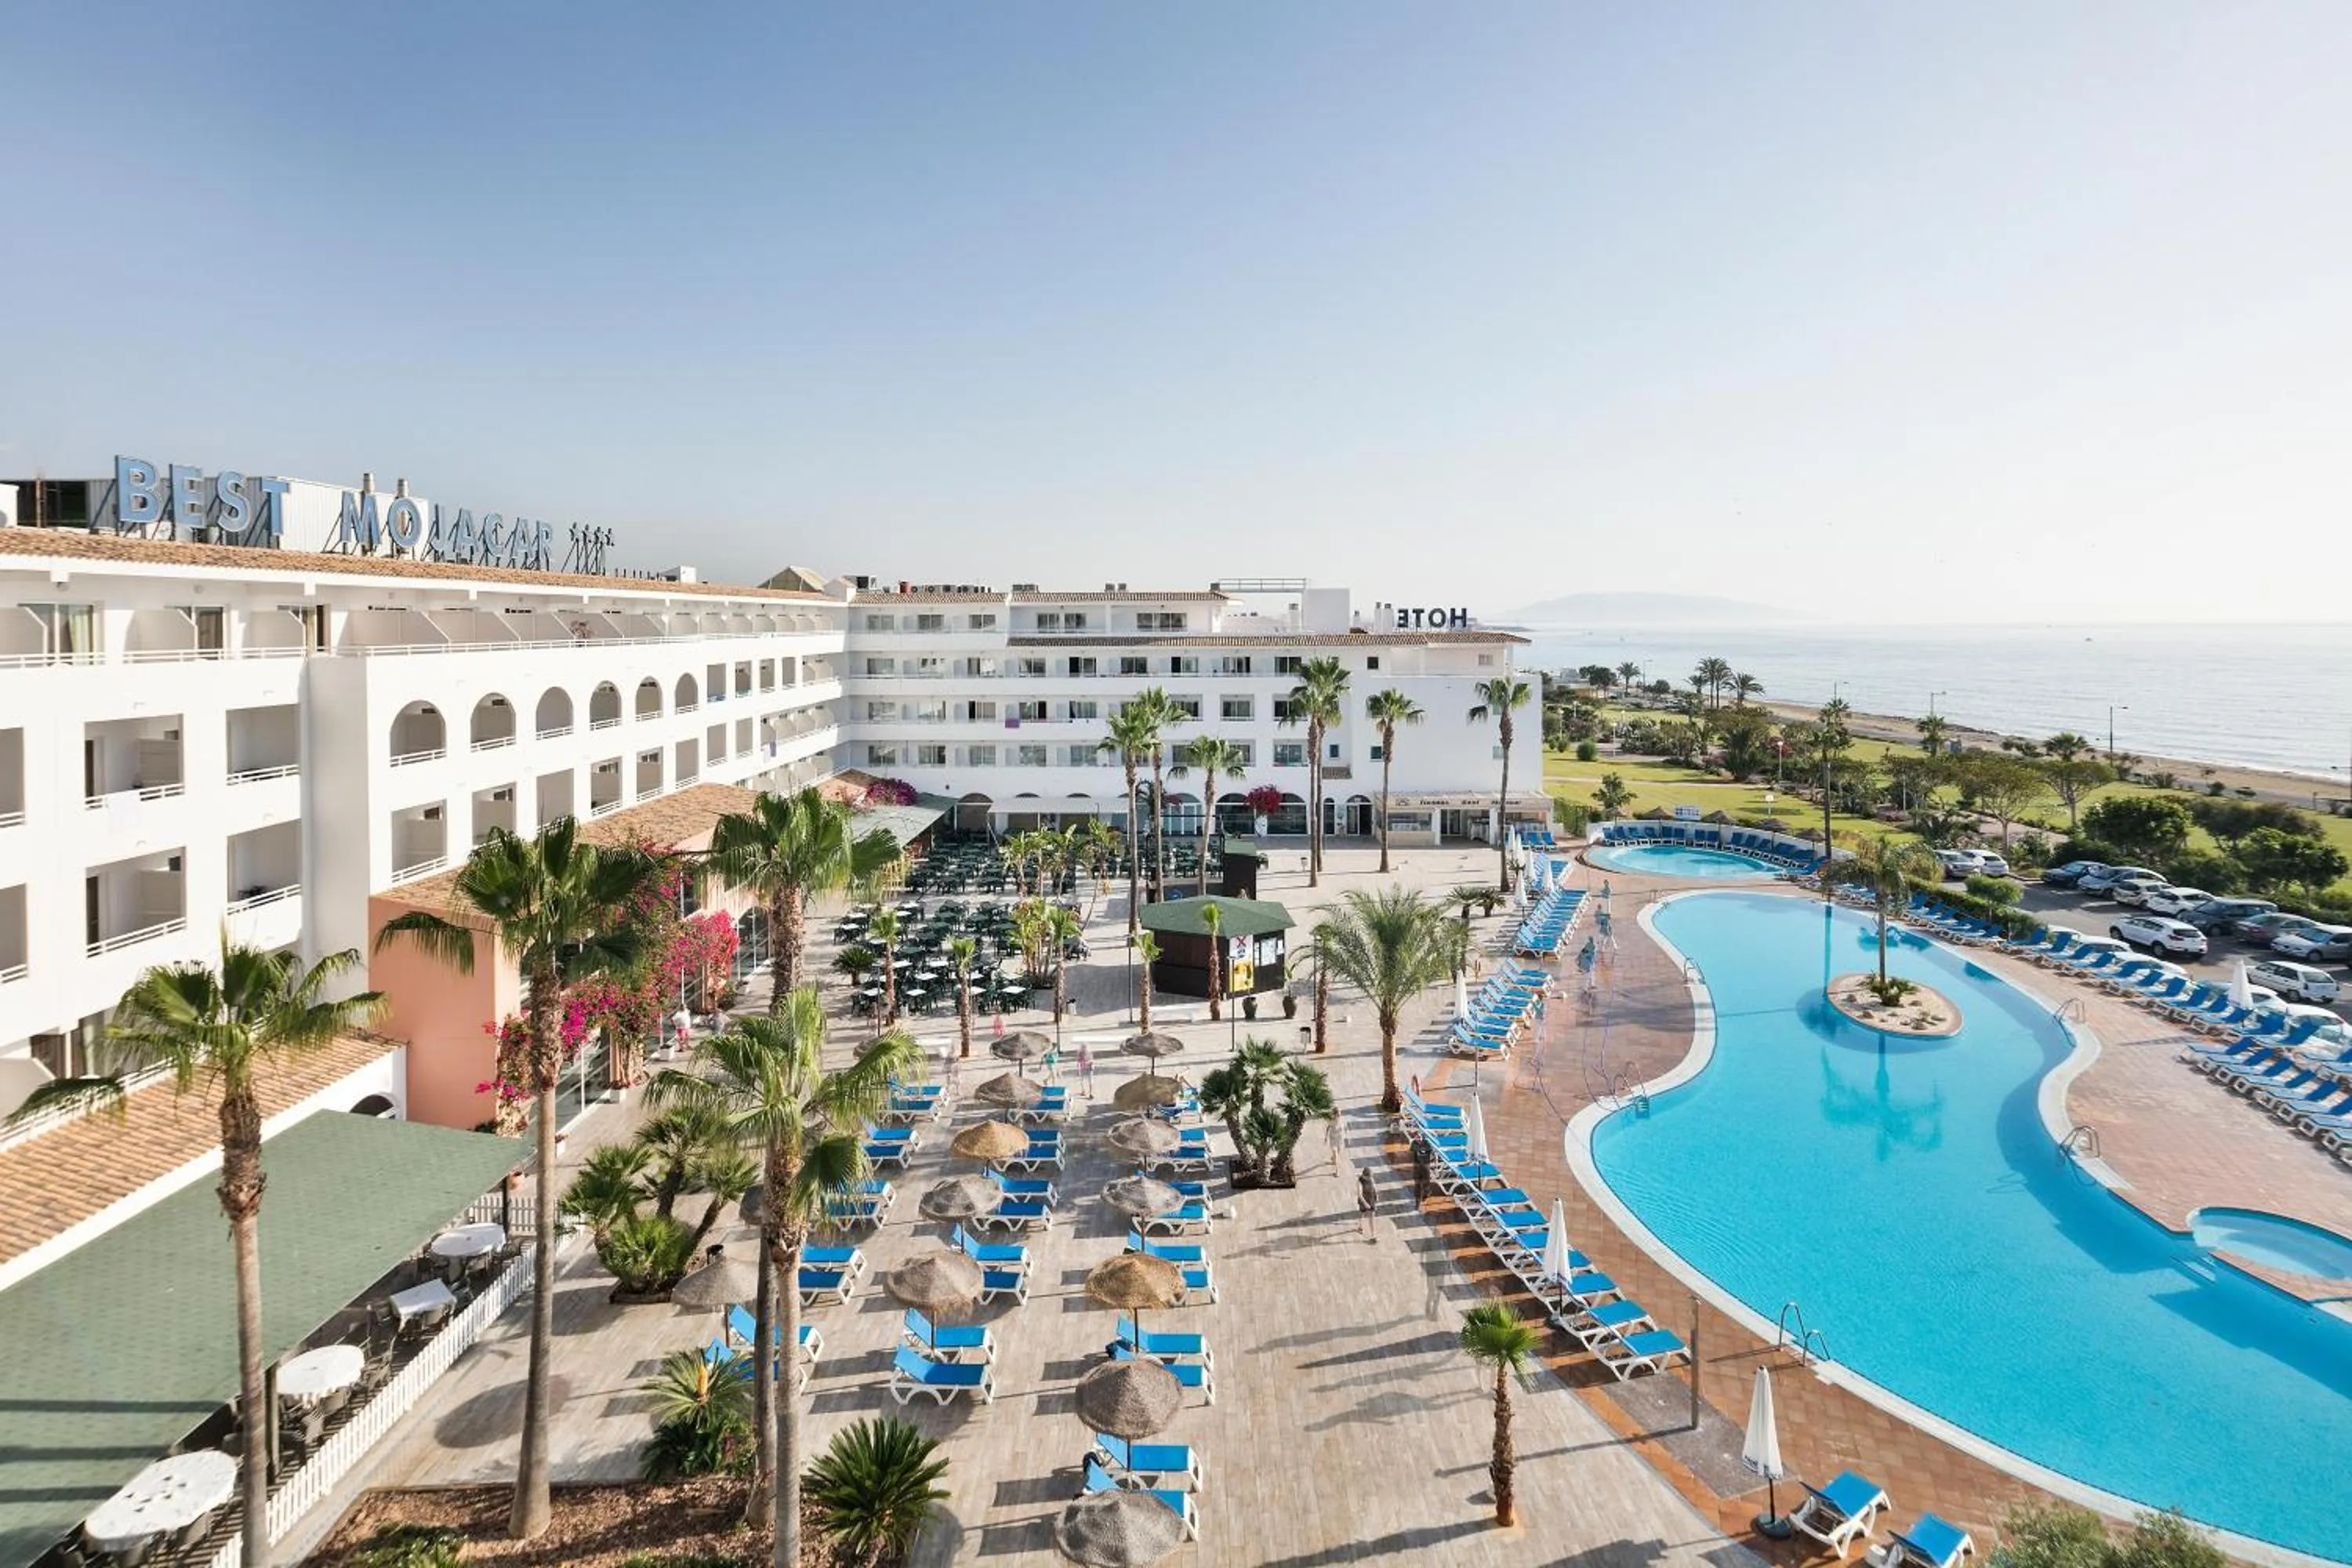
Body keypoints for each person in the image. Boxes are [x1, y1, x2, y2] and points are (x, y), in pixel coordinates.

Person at [1356, 1167, 1379, 1243]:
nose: (1370, 1178)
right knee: (1362, 1214)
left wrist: (1376, 1194)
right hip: (1364, 1200)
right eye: (1369, 1177)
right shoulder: (1360, 1182)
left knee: (1372, 1217)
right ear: (1365, 1176)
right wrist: (1365, 1203)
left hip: (1371, 1198)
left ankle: (1373, 1235)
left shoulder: (1371, 1179)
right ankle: (1360, 1226)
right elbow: (1359, 1194)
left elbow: (1374, 1186)